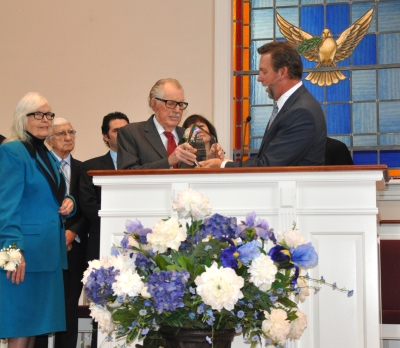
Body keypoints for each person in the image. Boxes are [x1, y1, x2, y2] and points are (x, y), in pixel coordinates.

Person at [0, 92, 76, 348]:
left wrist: (70, 203)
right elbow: (5, 206)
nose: (46, 120)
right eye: (39, 114)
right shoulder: (12, 150)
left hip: (47, 255)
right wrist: (10, 255)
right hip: (23, 257)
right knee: (20, 328)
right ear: (23, 119)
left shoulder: (43, 152)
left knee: (33, 330)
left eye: (49, 115)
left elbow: (54, 195)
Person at [200, 41, 327, 168]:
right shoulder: (292, 106)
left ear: (282, 72)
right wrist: (226, 163)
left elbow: (269, 165)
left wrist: (223, 165)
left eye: (264, 72)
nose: (259, 78)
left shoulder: (301, 112)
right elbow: (266, 160)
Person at [79, 111, 129, 348]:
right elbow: (89, 206)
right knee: (101, 304)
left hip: (133, 247)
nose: (122, 135)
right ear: (105, 136)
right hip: (100, 245)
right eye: (116, 130)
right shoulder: (91, 167)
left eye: (126, 130)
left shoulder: (141, 165)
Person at [45, 118, 89, 348]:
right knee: (42, 310)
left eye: (71, 132)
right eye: (61, 133)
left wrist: (72, 233)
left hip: (74, 251)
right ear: (49, 139)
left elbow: (88, 208)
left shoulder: (84, 169)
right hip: (44, 248)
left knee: (68, 311)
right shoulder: (39, 166)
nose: (68, 137)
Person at [117, 78, 207, 169]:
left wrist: (211, 161)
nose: (177, 110)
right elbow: (127, 173)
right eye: (171, 103)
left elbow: (199, 173)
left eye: (180, 104)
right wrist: (168, 162)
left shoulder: (192, 136)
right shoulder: (132, 133)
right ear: (154, 104)